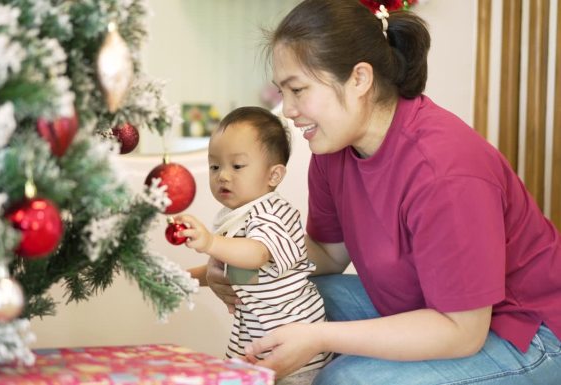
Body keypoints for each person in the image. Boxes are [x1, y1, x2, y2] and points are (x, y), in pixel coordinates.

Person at [199, 1, 561, 384]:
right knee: (280, 302)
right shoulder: (333, 149)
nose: (287, 110)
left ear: (359, 79)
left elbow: (463, 330)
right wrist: (240, 264)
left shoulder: (443, 170)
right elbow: (329, 255)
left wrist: (317, 336)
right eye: (282, 93)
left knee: (345, 379)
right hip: (430, 308)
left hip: (524, 333)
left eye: (298, 90)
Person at [177, 106, 332, 385]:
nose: (223, 175)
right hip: (257, 337)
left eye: (237, 166)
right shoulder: (238, 218)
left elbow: (257, 255)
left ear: (273, 176)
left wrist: (210, 242)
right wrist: (182, 278)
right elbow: (238, 272)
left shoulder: (270, 214)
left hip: (294, 347)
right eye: (215, 166)